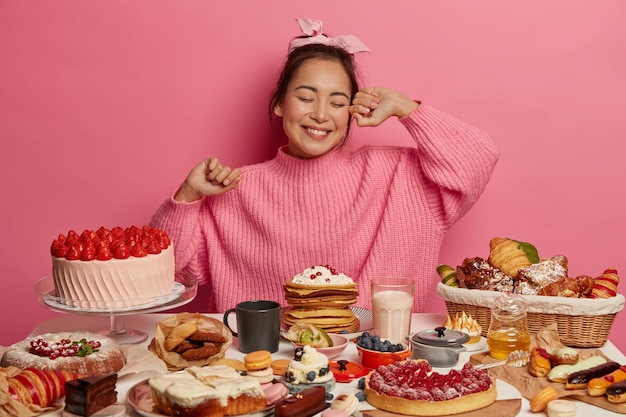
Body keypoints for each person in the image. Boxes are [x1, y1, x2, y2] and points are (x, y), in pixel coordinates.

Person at [150, 18, 499, 313]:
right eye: (305, 97)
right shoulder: (235, 191)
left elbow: (479, 158)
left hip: (377, 365)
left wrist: (404, 108)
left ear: (351, 113)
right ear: (278, 105)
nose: (319, 114)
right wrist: (188, 196)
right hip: (262, 370)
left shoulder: (399, 174)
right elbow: (163, 276)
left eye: (336, 102)